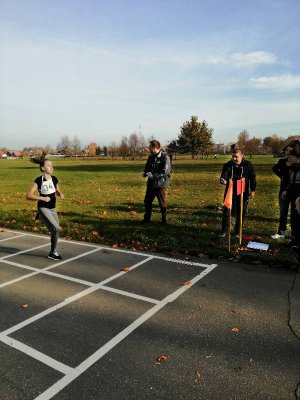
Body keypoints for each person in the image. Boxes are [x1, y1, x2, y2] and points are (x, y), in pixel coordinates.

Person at [26, 153, 64, 260]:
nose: (51, 167)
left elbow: (56, 189)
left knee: (55, 231)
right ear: (43, 168)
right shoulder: (38, 181)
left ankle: (53, 252)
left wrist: (59, 193)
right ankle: (41, 214)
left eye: (52, 165)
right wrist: (42, 198)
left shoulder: (55, 179)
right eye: (48, 165)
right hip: (43, 207)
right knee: (56, 228)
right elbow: (28, 196)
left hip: (52, 208)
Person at [220, 147, 256, 237]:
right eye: (232, 156)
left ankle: (237, 232)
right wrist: (223, 180)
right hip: (231, 190)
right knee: (227, 211)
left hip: (243, 190)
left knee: (241, 211)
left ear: (242, 155)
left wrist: (253, 190)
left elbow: (252, 178)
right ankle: (225, 231)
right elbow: (224, 175)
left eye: (236, 157)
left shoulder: (248, 165)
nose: (234, 159)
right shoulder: (228, 165)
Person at [141, 140, 171, 224]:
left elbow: (165, 171)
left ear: (154, 147)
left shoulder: (165, 157)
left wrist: (154, 176)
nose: (148, 148)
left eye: (150, 147)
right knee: (147, 201)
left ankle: (164, 220)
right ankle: (147, 219)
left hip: (160, 184)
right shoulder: (150, 157)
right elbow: (147, 167)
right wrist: (144, 173)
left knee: (162, 203)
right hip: (150, 183)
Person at [271, 146, 294, 239]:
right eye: (287, 150)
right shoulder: (282, 162)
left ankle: (294, 233)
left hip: (294, 190)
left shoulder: (297, 163)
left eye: (290, 150)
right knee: (283, 211)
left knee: (294, 213)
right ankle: (281, 232)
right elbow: (274, 168)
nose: (288, 152)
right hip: (283, 189)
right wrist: (281, 176)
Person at [281, 146, 300, 251]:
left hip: (299, 195)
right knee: (293, 217)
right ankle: (294, 240)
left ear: (298, 157)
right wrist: (286, 190)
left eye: (292, 156)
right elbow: (290, 182)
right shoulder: (292, 168)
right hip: (293, 194)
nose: (289, 158)